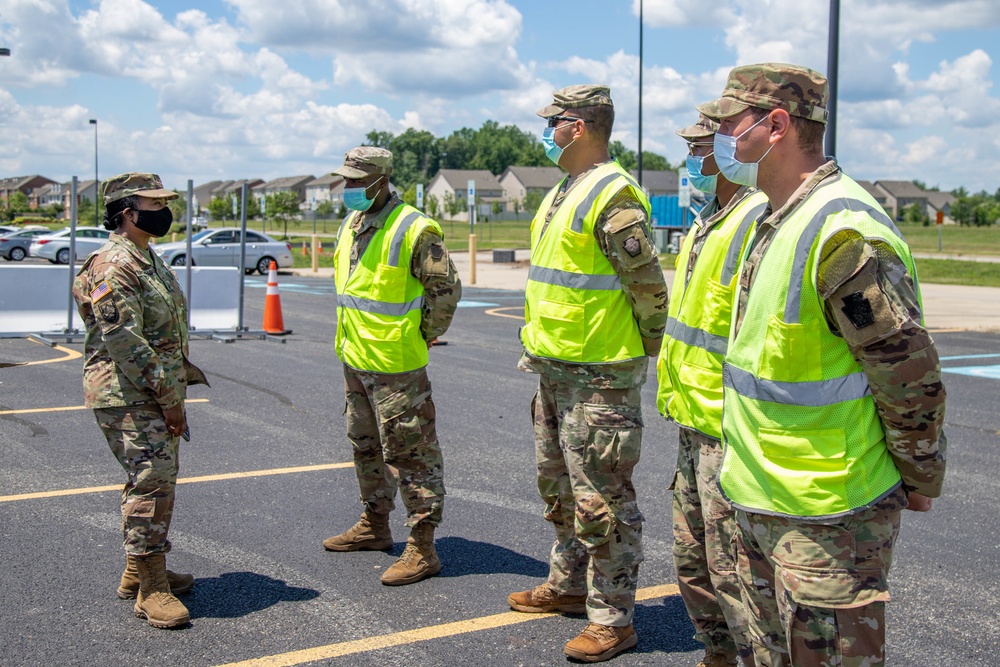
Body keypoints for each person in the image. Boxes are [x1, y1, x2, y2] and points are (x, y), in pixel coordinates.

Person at [697, 64, 947, 666]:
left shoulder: (841, 230)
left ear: (776, 125)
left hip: (830, 514)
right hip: (760, 495)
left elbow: (906, 372)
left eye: (728, 125)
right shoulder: (772, 218)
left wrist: (920, 476)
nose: (716, 138)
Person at [507, 84, 669, 663]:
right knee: (559, 488)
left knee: (603, 498)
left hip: (599, 374)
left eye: (553, 122)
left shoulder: (612, 194)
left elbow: (648, 288)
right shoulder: (563, 191)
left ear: (578, 126)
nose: (546, 132)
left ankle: (612, 618)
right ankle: (569, 584)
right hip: (553, 368)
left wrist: (644, 353)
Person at [73, 172, 208, 629]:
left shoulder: (147, 259)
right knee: (151, 479)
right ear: (128, 212)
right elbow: (125, 342)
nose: (165, 211)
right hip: (128, 391)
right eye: (155, 204)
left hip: (151, 388)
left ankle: (138, 570)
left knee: (156, 477)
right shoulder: (115, 264)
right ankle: (152, 588)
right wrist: (169, 397)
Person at [657, 115, 767, 667]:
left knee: (730, 566)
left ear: (729, 153)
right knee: (691, 557)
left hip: (726, 425)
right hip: (691, 414)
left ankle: (746, 655)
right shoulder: (704, 222)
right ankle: (718, 653)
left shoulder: (754, 219)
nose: (692, 163)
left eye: (700, 150)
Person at [324, 146, 461, 586]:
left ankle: (422, 546)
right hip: (355, 357)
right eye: (345, 181)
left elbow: (446, 289)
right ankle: (375, 524)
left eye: (356, 181)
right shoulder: (353, 222)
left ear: (381, 181)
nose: (348, 189)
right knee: (365, 446)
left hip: (397, 365)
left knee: (412, 454)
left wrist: (422, 332)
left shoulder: (414, 227)